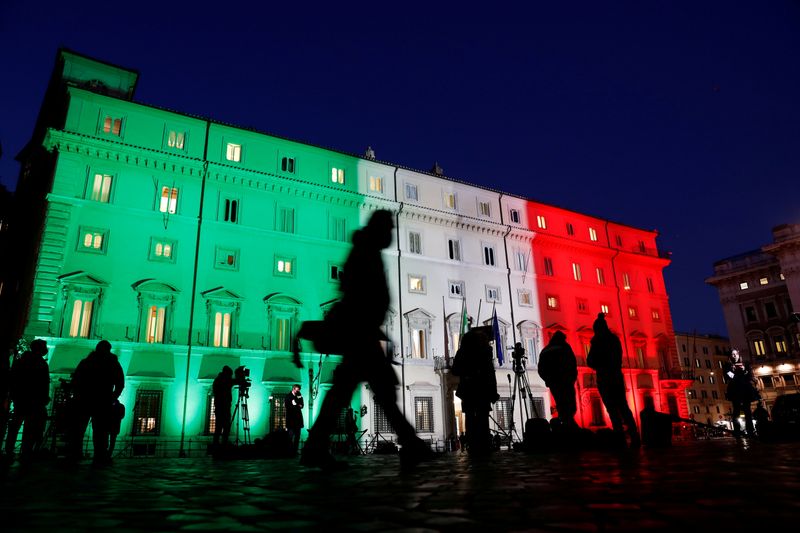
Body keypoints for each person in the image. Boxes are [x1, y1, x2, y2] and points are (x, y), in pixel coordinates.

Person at [298, 209, 433, 470]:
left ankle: (316, 446)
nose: (392, 234)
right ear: (379, 229)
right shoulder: (366, 253)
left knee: (353, 393)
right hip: (361, 335)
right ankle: (410, 443)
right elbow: (361, 296)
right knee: (375, 392)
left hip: (362, 334)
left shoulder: (366, 250)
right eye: (389, 229)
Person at [587, 313, 640, 448]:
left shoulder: (597, 342)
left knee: (612, 409)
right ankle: (634, 436)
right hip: (616, 376)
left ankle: (620, 438)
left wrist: (600, 363)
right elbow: (617, 358)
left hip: (604, 378)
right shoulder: (614, 339)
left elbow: (590, 361)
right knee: (623, 407)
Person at [70, 340, 125, 465]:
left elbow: (76, 380)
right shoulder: (112, 364)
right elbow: (120, 383)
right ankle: (99, 456)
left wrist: (78, 395)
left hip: (85, 400)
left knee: (80, 429)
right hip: (102, 401)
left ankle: (76, 454)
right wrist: (113, 397)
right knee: (100, 431)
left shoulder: (86, 362)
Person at [451, 326, 499, 456]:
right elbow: (490, 373)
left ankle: (474, 445)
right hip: (481, 389)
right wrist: (493, 391)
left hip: (469, 389)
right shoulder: (485, 351)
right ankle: (483, 445)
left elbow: (455, 370)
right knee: (481, 417)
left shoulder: (463, 351)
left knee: (471, 417)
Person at [4, 339, 50, 462]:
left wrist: (14, 394)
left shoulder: (21, 362)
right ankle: (25, 452)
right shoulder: (42, 364)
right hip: (34, 401)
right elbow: (44, 384)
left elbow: (13, 380)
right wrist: (44, 398)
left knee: (15, 426)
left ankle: (9, 450)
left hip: (21, 399)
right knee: (30, 429)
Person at [537, 331, 579, 429]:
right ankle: (569, 425)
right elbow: (572, 363)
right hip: (566, 381)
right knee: (569, 404)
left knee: (560, 403)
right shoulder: (565, 347)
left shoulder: (545, 350)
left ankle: (564, 423)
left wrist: (548, 380)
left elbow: (541, 369)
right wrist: (572, 378)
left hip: (554, 383)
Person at [724, 349, 757, 437]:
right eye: (732, 354)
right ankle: (737, 430)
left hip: (745, 389)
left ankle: (750, 429)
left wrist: (744, 371)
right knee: (736, 410)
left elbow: (750, 375)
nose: (734, 356)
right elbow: (729, 376)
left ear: (738, 355)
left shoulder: (745, 364)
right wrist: (738, 372)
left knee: (747, 410)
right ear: (730, 356)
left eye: (736, 354)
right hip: (735, 390)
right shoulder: (727, 366)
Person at [212, 366, 234, 447]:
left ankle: (219, 443)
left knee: (220, 427)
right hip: (222, 408)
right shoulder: (222, 381)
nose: (230, 377)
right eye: (230, 375)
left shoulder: (219, 380)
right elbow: (232, 382)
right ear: (226, 374)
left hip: (222, 407)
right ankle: (222, 444)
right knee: (223, 427)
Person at [284, 384, 304, 454]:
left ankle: (294, 451)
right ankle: (290, 451)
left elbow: (302, 405)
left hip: (298, 420)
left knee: (297, 437)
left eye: (298, 390)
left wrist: (296, 405)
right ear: (293, 389)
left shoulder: (299, 395)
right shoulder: (288, 396)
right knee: (290, 437)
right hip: (291, 421)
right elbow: (287, 407)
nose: (298, 391)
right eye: (297, 390)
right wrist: (296, 405)